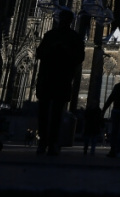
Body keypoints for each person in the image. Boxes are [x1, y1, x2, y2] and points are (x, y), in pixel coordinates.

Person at [34, 9, 85, 156]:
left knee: (54, 114)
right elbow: (39, 53)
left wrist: (65, 50)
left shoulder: (72, 37)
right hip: (52, 78)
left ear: (69, 21)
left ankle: (51, 143)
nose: (63, 21)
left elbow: (79, 57)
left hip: (59, 78)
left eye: (65, 19)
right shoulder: (52, 35)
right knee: (47, 113)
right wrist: (53, 48)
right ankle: (45, 142)